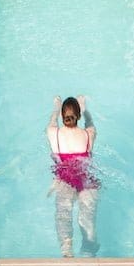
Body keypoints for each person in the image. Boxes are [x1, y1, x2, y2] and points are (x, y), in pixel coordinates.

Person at [47, 95, 98, 256]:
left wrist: (56, 107)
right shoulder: (89, 135)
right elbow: (90, 123)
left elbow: (52, 121)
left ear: (63, 116)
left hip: (65, 181)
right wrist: (85, 109)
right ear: (78, 116)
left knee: (63, 216)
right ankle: (89, 249)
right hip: (87, 182)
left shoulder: (54, 134)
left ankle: (67, 250)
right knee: (87, 221)